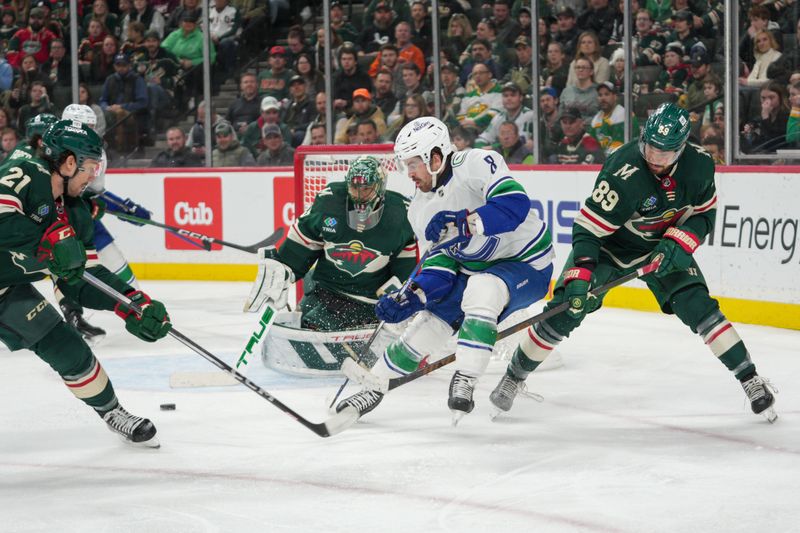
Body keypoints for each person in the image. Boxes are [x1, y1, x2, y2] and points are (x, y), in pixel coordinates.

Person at [489, 102, 778, 424]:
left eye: (665, 153)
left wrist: (681, 243)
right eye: (651, 147)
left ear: (681, 149)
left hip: (662, 251)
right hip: (610, 250)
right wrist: (583, 271)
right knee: (566, 310)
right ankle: (514, 376)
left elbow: (704, 214)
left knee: (701, 309)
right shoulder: (623, 169)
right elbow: (587, 228)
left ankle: (750, 378)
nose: (655, 158)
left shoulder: (699, 166)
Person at [335, 117, 554, 423]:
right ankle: (374, 386)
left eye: (413, 164)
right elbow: (440, 266)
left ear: (435, 157)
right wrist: (414, 296)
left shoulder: (477, 163)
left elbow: (515, 205)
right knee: (428, 322)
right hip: (473, 268)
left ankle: (466, 377)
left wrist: (466, 222)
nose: (408, 174)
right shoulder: (420, 210)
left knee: (483, 289)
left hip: (526, 262)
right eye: (404, 165)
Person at [0, 119, 171, 447]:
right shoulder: (26, 172)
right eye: (90, 167)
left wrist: (131, 302)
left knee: (66, 347)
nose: (95, 176)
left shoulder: (68, 212)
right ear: (68, 163)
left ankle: (113, 412)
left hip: (6, 289)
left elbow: (79, 279)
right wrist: (41, 241)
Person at [244, 156, 417, 332]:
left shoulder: (401, 214)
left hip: (370, 303)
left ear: (380, 187)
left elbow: (407, 272)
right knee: (303, 332)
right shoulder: (330, 201)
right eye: (354, 187)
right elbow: (303, 243)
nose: (358, 194)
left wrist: (400, 299)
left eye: (366, 188)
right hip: (326, 293)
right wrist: (283, 270)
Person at [60, 105, 153, 343]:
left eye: (94, 126)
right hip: (61, 219)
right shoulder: (60, 151)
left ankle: (141, 307)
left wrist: (124, 207)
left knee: (114, 261)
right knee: (68, 269)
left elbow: (93, 192)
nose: (93, 131)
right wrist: (119, 207)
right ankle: (73, 314)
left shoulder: (94, 151)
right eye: (87, 127)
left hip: (84, 217)